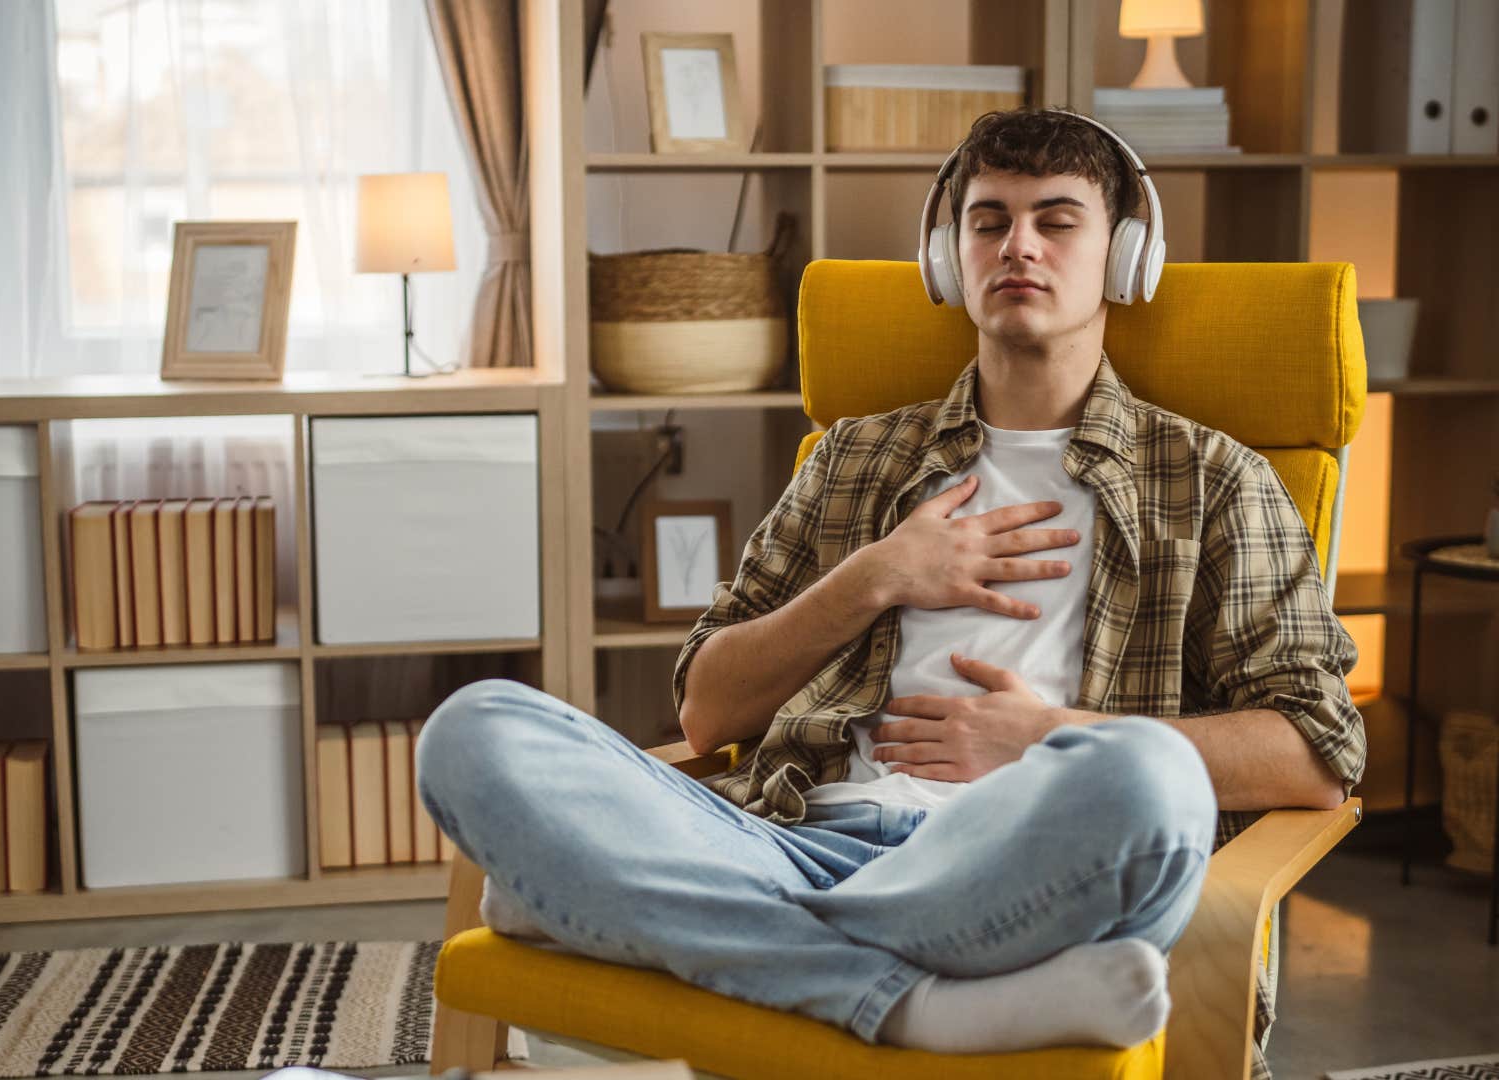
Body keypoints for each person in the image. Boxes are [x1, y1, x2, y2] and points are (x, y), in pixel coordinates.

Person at [413, 108, 1364, 1076]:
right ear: (948, 259)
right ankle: (912, 1002)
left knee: (1147, 775)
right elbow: (707, 711)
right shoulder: (856, 458)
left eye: (1056, 220)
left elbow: (1319, 752)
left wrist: (1051, 739)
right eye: (989, 221)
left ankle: (667, 921)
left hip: (1022, 870)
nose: (1018, 246)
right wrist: (874, 577)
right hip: (799, 842)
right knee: (478, 729)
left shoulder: (1211, 480)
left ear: (1124, 257)